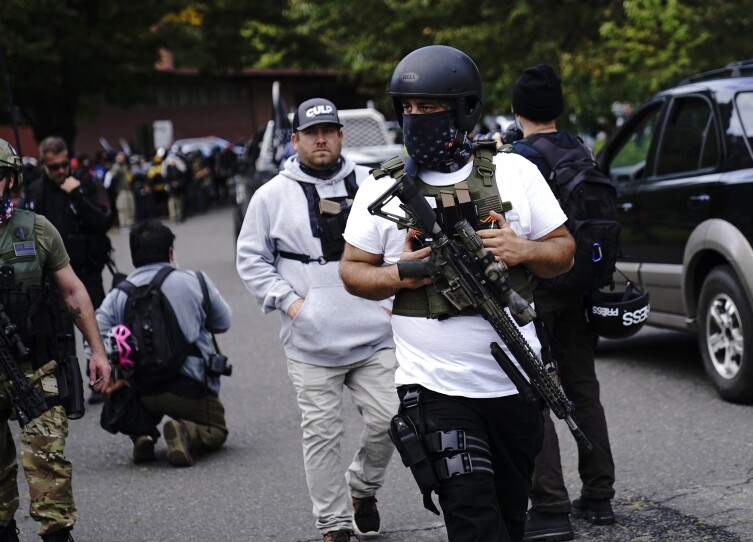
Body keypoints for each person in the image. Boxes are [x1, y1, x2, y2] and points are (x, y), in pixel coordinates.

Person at [339, 45, 575, 542]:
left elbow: (565, 252)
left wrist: (522, 248)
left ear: (464, 109)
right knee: (472, 521)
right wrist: (403, 272)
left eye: (429, 108)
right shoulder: (381, 185)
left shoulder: (515, 172)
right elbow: (353, 273)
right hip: (434, 389)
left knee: (512, 519)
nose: (415, 118)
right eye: (408, 108)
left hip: (516, 381)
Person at [236, 97, 398, 542]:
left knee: (393, 419)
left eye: (328, 130)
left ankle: (362, 489)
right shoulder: (270, 195)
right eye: (311, 133)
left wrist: (388, 304)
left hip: (374, 333)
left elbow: (398, 243)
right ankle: (333, 523)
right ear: (295, 140)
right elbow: (251, 260)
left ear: (342, 136)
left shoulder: (372, 184)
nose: (321, 139)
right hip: (310, 340)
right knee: (322, 436)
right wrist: (291, 305)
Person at [509, 64, 617, 541]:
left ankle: (550, 507)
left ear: (517, 111)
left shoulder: (519, 158)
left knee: (536, 394)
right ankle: (599, 495)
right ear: (558, 108)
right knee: (582, 387)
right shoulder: (581, 148)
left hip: (542, 286)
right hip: (583, 283)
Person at [0, 137, 112, 542]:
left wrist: (97, 352)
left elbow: (74, 292)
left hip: (35, 363)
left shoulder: (37, 229)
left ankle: (56, 534)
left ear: (9, 180)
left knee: (46, 455)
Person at [89, 219, 232, 467]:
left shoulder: (117, 295)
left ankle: (142, 434)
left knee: (131, 381)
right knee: (217, 429)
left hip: (140, 388)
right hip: (190, 386)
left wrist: (111, 376)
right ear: (170, 252)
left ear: (134, 256)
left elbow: (94, 338)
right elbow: (222, 322)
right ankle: (186, 431)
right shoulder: (194, 280)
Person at [24, 137, 114, 405]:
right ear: (43, 165)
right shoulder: (36, 191)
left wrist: (77, 195)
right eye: (54, 167)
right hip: (53, 276)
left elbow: (103, 221)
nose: (61, 171)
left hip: (87, 269)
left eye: (65, 164)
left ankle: (99, 379)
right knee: (59, 335)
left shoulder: (84, 183)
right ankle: (64, 389)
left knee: (94, 325)